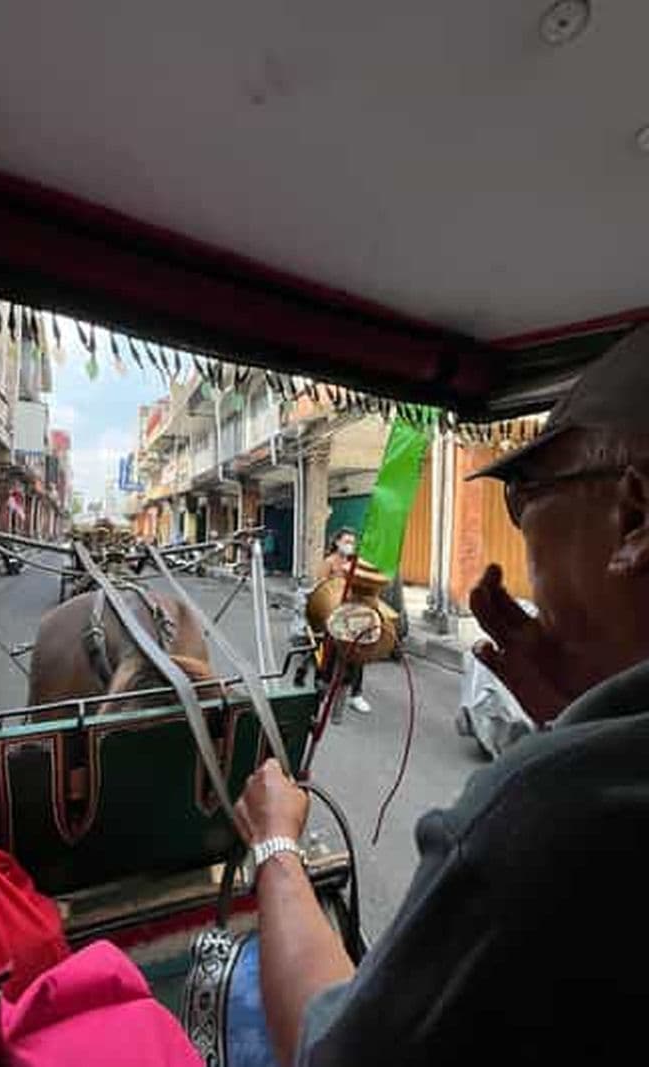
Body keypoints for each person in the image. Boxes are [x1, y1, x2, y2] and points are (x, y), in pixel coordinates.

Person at [234, 325, 649, 1066]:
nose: (520, 532)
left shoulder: (542, 810)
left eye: (525, 497)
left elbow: (330, 1048)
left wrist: (274, 840)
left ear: (634, 517)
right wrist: (577, 700)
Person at [316, 528, 370, 713]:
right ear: (337, 542)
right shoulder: (329, 562)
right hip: (334, 614)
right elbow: (322, 589)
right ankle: (322, 688)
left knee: (358, 654)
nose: (350, 546)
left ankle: (356, 694)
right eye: (347, 541)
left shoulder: (356, 564)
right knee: (330, 654)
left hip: (353, 615)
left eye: (353, 542)